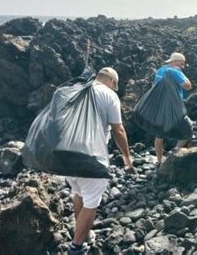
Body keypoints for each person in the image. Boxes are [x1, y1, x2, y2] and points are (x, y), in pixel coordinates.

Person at [66, 67, 133, 255]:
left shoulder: (78, 89)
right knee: (91, 202)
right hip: (92, 157)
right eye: (115, 85)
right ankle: (76, 247)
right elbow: (118, 130)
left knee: (78, 192)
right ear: (111, 81)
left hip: (66, 155)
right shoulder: (109, 95)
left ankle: (82, 233)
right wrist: (127, 158)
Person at [153, 52, 192, 167]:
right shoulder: (175, 71)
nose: (183, 66)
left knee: (159, 134)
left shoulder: (161, 70)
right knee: (188, 131)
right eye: (182, 64)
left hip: (159, 105)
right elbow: (188, 86)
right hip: (173, 106)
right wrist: (180, 73)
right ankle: (173, 156)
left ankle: (159, 161)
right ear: (175, 62)